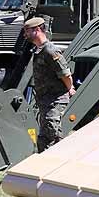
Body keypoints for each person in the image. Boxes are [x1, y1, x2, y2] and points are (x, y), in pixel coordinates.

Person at [23, 16, 76, 152]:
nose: (25, 34)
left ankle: (59, 161)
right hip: (45, 100)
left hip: (55, 99)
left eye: (28, 30)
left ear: (38, 30)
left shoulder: (50, 50)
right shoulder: (38, 50)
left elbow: (65, 74)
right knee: (45, 136)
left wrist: (70, 88)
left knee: (52, 133)